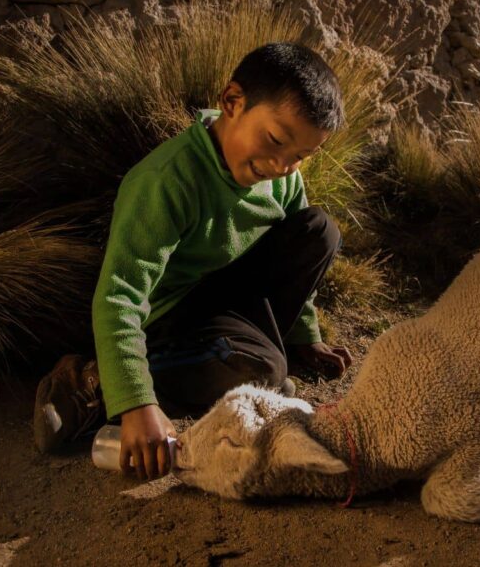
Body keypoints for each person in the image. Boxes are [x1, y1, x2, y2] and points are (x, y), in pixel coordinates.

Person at [32, 42, 354, 480]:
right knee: (264, 372)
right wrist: (138, 405)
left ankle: (249, 359)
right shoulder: (166, 181)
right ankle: (94, 383)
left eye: (300, 155)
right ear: (232, 102)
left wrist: (305, 335)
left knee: (319, 230)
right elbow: (118, 297)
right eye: (276, 140)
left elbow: (292, 258)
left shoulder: (283, 179)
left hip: (224, 298)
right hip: (165, 321)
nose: (283, 165)